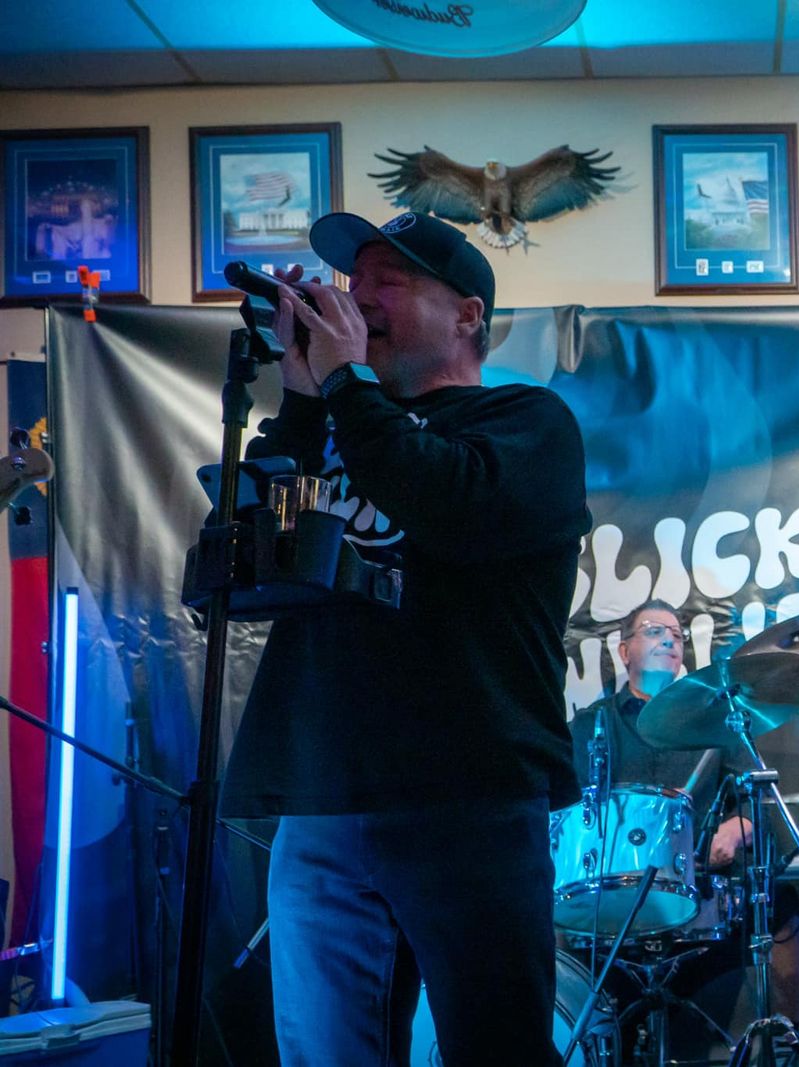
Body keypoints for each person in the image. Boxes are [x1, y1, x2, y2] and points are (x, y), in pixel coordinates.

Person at [220, 209, 590, 1065]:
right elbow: (248, 567)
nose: (359, 298)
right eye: (353, 283)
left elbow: (446, 504)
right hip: (325, 793)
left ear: (467, 314)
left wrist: (348, 385)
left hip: (469, 793)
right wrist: (303, 399)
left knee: (493, 1048)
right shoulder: (339, 424)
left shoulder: (526, 421)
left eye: (388, 282)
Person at [567, 600, 799, 1053]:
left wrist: (734, 829)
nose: (669, 640)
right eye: (654, 631)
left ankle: (790, 1043)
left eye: (677, 635)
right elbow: (564, 814)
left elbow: (751, 802)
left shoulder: (717, 723)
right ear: (624, 651)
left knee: (782, 903)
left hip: (701, 889)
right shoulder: (588, 726)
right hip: (616, 899)